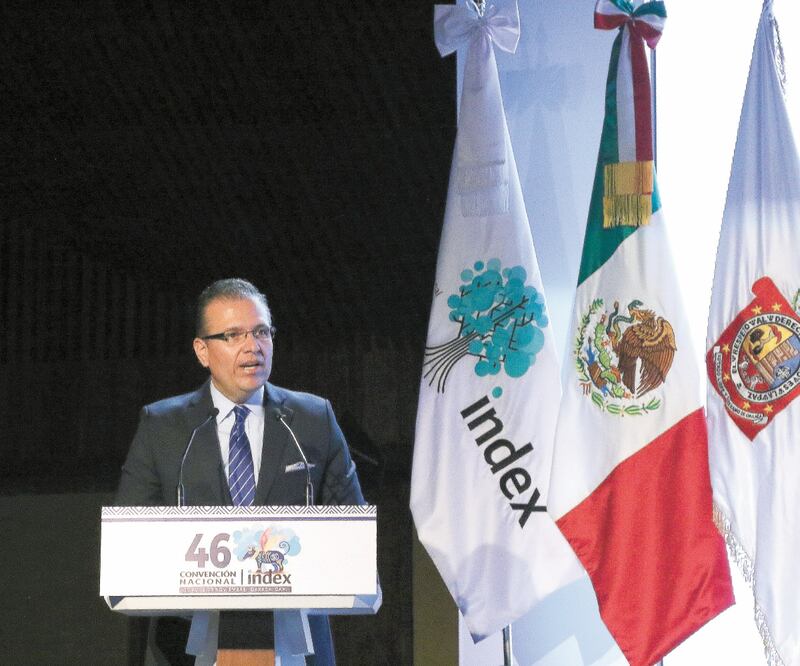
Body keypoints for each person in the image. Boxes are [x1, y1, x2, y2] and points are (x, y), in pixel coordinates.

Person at [115, 277, 365, 665]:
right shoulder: (162, 426)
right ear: (202, 350)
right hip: (184, 644)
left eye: (261, 332)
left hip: (297, 647)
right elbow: (130, 546)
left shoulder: (313, 420)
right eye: (233, 335)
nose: (253, 346)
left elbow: (352, 538)